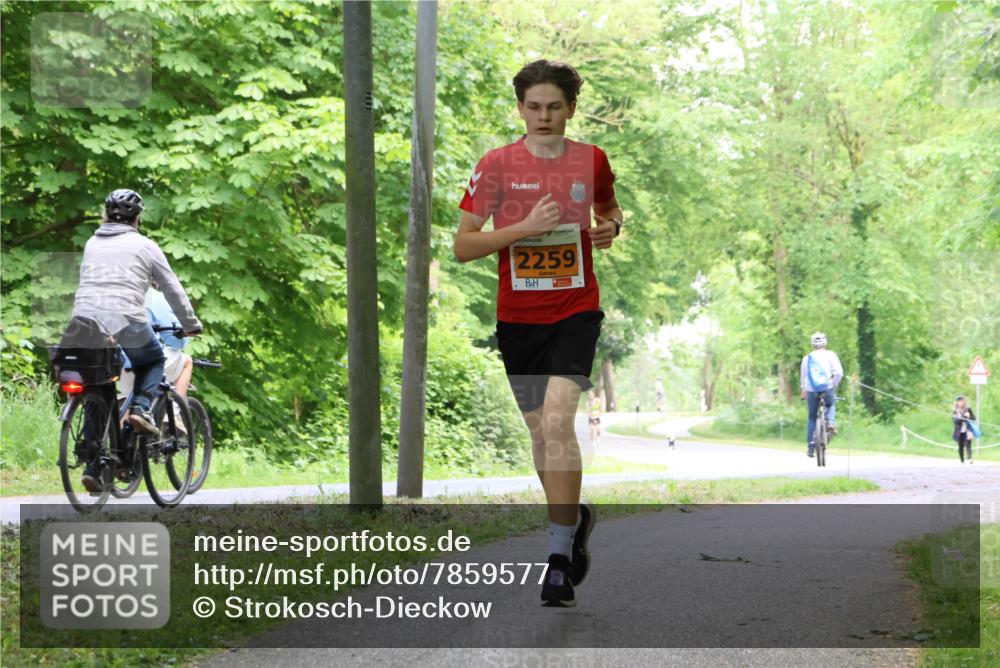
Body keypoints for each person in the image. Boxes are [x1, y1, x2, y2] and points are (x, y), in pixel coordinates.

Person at [454, 60, 623, 607]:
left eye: (554, 106)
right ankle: (571, 524)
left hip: (576, 309)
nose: (544, 116)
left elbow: (611, 209)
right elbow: (463, 245)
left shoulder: (592, 160)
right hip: (518, 320)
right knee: (538, 434)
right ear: (521, 109)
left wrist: (612, 227)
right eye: (534, 107)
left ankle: (556, 558)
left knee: (557, 421)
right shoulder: (497, 165)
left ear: (571, 108)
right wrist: (522, 230)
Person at [70, 189, 202, 490]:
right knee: (153, 359)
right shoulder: (145, 245)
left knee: (97, 386)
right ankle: (142, 410)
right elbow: (171, 287)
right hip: (126, 320)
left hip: (84, 322)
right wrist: (191, 324)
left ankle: (94, 465)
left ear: (105, 214)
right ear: (138, 217)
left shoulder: (92, 243)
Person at [800, 332, 843, 458]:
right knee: (830, 404)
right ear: (825, 342)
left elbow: (803, 376)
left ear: (812, 344)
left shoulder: (807, 358)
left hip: (811, 390)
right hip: (827, 387)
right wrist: (833, 384)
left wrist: (804, 390)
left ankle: (811, 447)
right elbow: (839, 373)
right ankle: (830, 422)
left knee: (812, 417)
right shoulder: (831, 355)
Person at [952, 396, 976, 465]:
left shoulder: (968, 409)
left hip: (967, 430)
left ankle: (970, 458)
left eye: (962, 401)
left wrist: (969, 416)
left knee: (968, 444)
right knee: (961, 446)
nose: (961, 402)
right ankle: (962, 460)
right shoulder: (955, 411)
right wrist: (964, 417)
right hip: (959, 431)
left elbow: (973, 418)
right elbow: (956, 421)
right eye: (959, 401)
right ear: (956, 402)